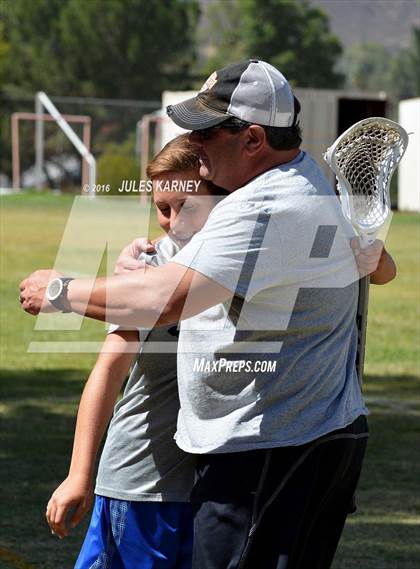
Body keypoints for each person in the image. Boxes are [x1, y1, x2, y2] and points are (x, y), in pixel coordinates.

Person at [20, 59, 396, 568]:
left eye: (206, 130)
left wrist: (62, 291)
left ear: (253, 139)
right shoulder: (304, 179)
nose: (193, 142)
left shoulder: (264, 205)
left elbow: (167, 299)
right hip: (306, 441)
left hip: (270, 450)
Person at [45, 134, 227, 568]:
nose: (171, 221)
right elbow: (107, 374)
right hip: (142, 482)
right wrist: (78, 474)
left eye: (185, 205)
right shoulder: (146, 270)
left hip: (209, 488)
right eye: (162, 209)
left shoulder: (239, 254)